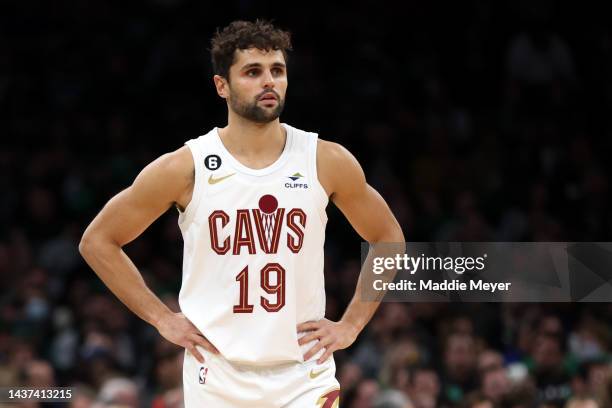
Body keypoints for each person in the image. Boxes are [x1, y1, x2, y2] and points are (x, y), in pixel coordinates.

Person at [79, 19, 404, 407]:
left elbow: (388, 238)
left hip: (303, 372)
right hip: (216, 373)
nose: (269, 81)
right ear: (222, 85)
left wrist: (351, 324)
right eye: (253, 72)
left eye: (277, 71)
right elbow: (98, 242)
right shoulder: (187, 166)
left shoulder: (325, 160)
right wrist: (162, 318)